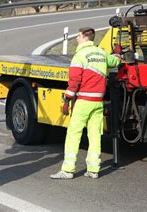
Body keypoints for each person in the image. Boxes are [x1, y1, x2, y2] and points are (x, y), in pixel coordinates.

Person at [50, 27, 120, 180]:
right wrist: (118, 54)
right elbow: (115, 61)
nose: (76, 39)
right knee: (95, 135)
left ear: (84, 37)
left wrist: (67, 99)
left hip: (83, 101)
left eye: (78, 36)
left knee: (73, 134)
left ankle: (68, 170)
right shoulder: (101, 53)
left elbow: (74, 82)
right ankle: (93, 170)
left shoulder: (79, 56)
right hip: (98, 101)